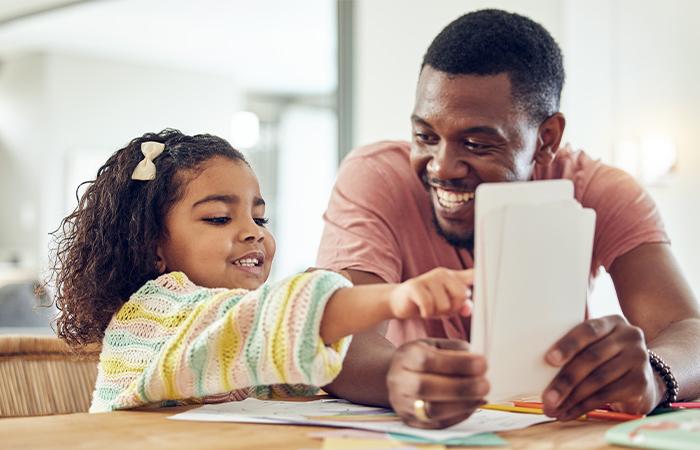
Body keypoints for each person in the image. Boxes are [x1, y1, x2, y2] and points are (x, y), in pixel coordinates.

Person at [317, 9, 700, 428]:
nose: (441, 167)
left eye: (477, 143)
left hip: (550, 430)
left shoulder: (598, 190)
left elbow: (688, 329)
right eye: (425, 136)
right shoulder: (376, 176)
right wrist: (396, 375)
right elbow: (338, 331)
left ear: (545, 138)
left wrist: (655, 372)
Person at [49, 129, 474, 413]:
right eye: (219, 218)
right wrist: (395, 297)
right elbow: (261, 324)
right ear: (152, 246)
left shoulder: (248, 327)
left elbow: (303, 367)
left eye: (260, 219)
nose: (253, 233)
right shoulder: (154, 315)